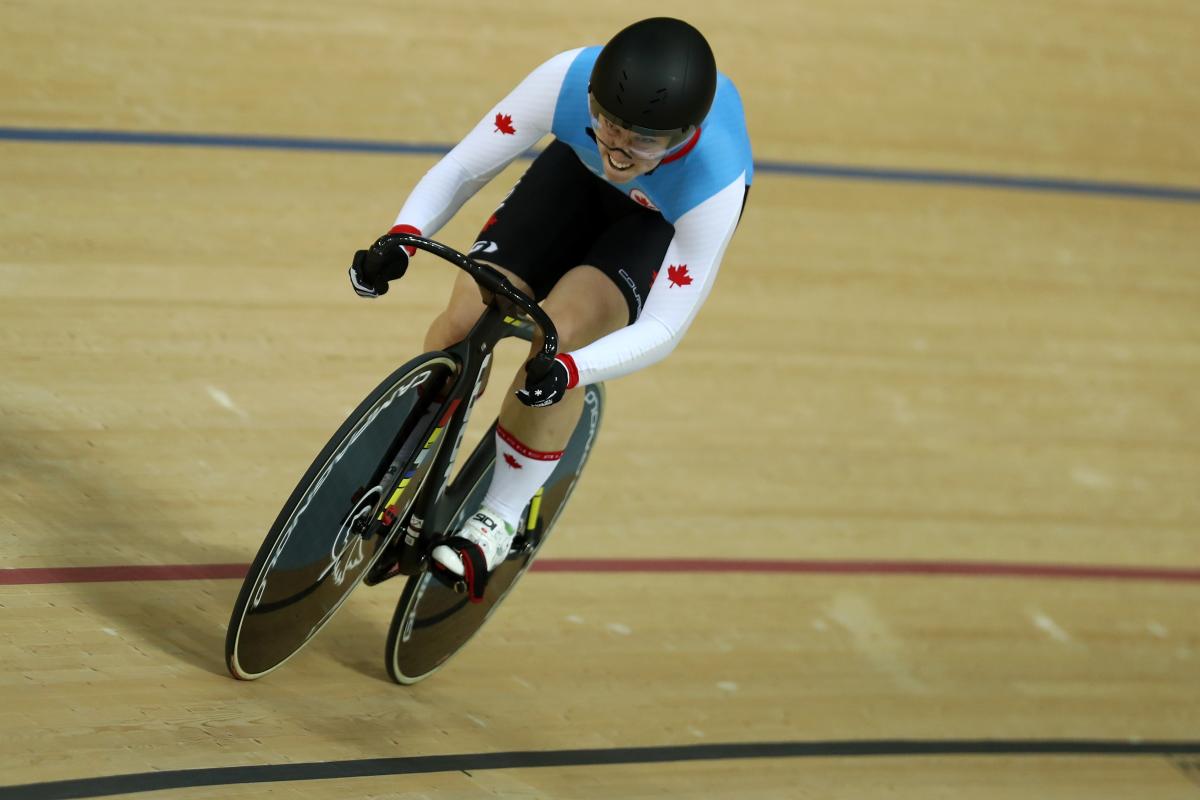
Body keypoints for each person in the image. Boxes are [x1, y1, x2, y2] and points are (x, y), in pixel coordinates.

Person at [348, 17, 753, 595]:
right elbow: (465, 165)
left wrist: (571, 369)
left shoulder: (714, 179)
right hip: (572, 178)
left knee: (561, 335)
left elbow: (666, 324)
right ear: (593, 98)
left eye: (642, 139)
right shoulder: (565, 80)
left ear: (684, 135)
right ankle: (412, 460)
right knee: (465, 315)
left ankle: (502, 517)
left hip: (653, 223)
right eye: (608, 122)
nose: (617, 146)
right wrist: (403, 236)